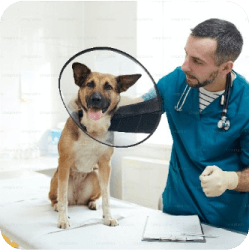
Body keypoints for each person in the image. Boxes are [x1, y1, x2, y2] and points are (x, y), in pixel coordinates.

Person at [142, 18, 249, 233]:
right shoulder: (176, 80)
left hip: (225, 224)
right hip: (175, 214)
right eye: (186, 55)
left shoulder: (245, 102)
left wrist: (229, 179)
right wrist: (94, 104)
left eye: (197, 62)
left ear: (226, 67)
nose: (184, 66)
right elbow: (137, 109)